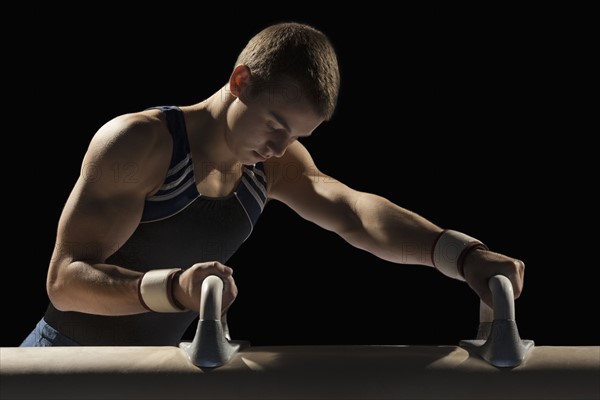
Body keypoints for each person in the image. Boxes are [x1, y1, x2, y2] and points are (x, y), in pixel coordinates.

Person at [21, 21, 524, 347]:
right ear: (240, 81)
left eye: (298, 136)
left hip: (156, 368)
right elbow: (64, 283)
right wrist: (174, 289)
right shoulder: (140, 143)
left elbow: (352, 213)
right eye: (275, 126)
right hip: (57, 360)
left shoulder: (271, 164)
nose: (281, 149)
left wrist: (462, 255)